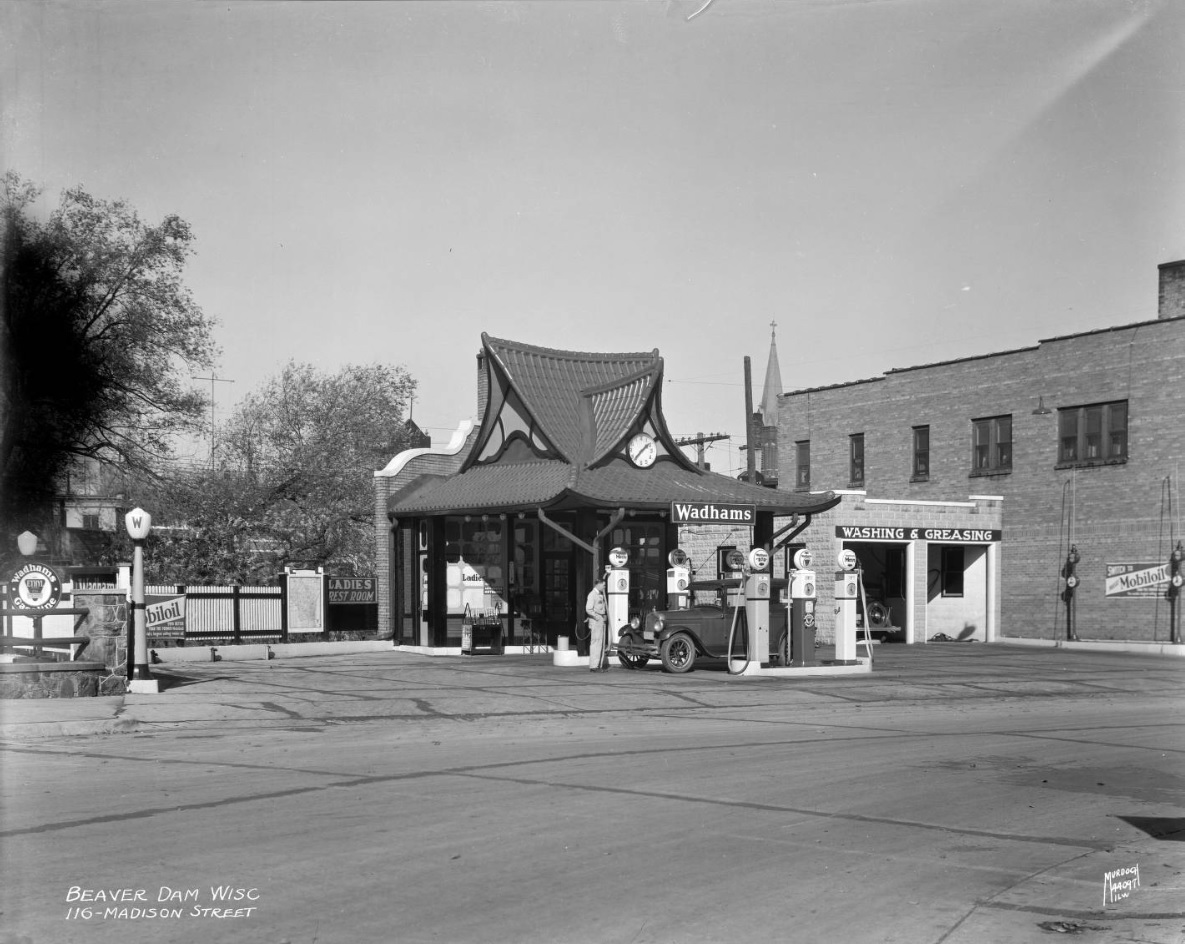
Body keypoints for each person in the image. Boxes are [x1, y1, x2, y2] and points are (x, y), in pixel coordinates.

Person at [585, 577, 608, 672]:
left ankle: (598, 665)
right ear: (598, 584)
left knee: (600, 643)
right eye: (603, 585)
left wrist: (604, 615)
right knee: (596, 643)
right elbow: (588, 609)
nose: (604, 587)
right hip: (596, 621)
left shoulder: (599, 594)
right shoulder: (592, 594)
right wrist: (597, 617)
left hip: (600, 621)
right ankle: (594, 666)